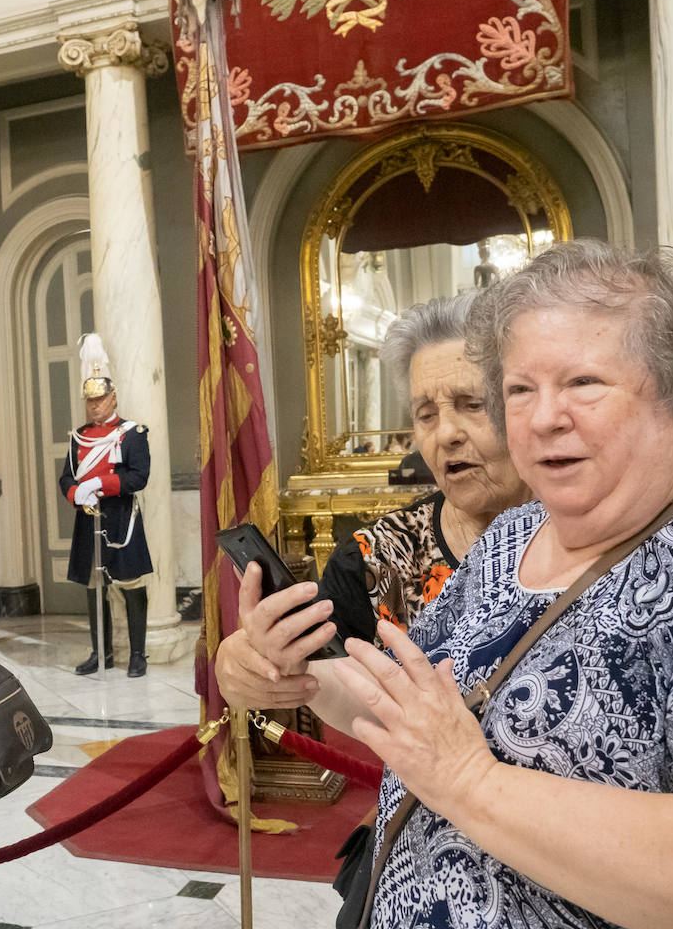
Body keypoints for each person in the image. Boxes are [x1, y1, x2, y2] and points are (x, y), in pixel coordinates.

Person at [232, 240, 673, 929]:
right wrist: (300, 676)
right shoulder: (517, 536)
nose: (542, 417)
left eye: (583, 382)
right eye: (520, 390)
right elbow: (413, 709)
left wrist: (473, 782)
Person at [216, 292, 531, 706]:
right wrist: (254, 663)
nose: (446, 433)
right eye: (425, 415)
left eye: (473, 404)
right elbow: (335, 684)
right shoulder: (372, 560)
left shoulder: (590, 528)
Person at [59, 333, 153, 677]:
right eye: (90, 401)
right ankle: (102, 653)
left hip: (121, 519)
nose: (94, 406)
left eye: (100, 400)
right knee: (95, 587)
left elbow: (138, 477)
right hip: (88, 519)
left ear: (113, 398)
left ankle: (138, 654)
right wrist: (76, 493)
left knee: (130, 585)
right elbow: (66, 478)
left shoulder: (133, 434)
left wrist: (102, 484)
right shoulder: (77, 437)